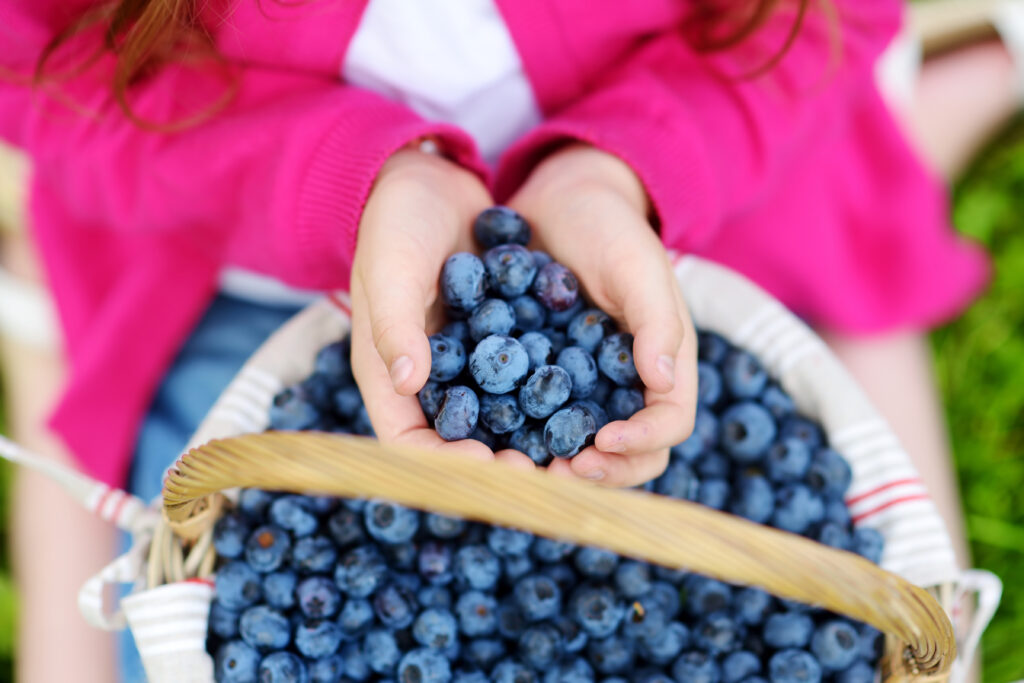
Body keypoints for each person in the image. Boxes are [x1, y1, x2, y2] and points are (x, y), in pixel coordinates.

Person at [0, 0, 1013, 680]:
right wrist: (368, 184)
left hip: (703, 177)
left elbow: (816, 20)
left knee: (913, 621)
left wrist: (613, 173)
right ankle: (49, 329)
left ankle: (920, 119)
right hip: (253, 231)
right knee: (145, 573)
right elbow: (45, 67)